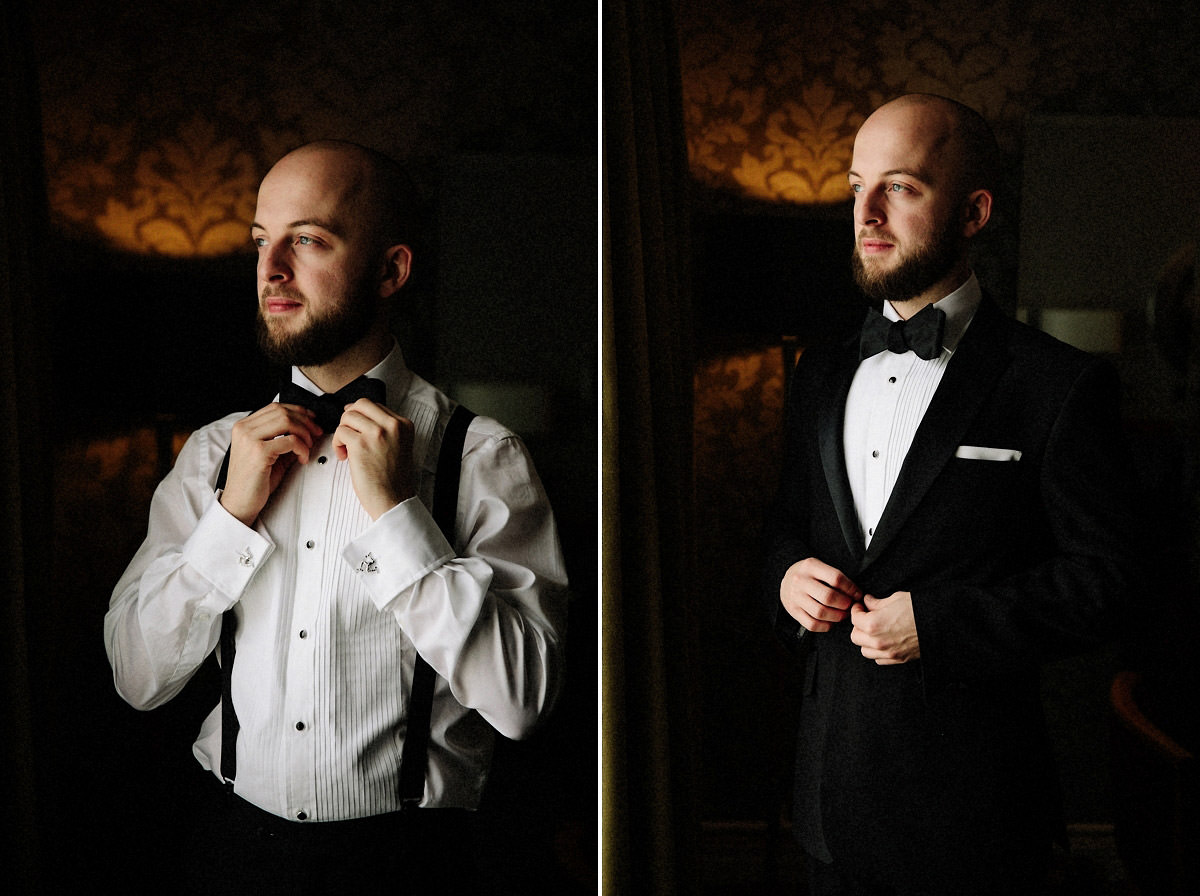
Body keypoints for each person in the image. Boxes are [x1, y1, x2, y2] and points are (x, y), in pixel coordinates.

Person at [104, 140, 569, 894]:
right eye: (261, 241)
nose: (271, 270)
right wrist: (229, 518)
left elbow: (523, 703)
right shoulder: (215, 454)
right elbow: (135, 677)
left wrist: (397, 518)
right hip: (229, 856)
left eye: (308, 240)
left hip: (414, 866)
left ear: (391, 271)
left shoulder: (483, 456)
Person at [763, 94, 1150, 895]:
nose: (866, 213)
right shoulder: (822, 374)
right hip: (827, 797)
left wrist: (941, 623)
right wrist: (787, 575)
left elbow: (1111, 583)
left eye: (900, 187)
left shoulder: (1057, 385)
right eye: (856, 184)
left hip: (975, 815)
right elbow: (786, 526)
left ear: (973, 212)